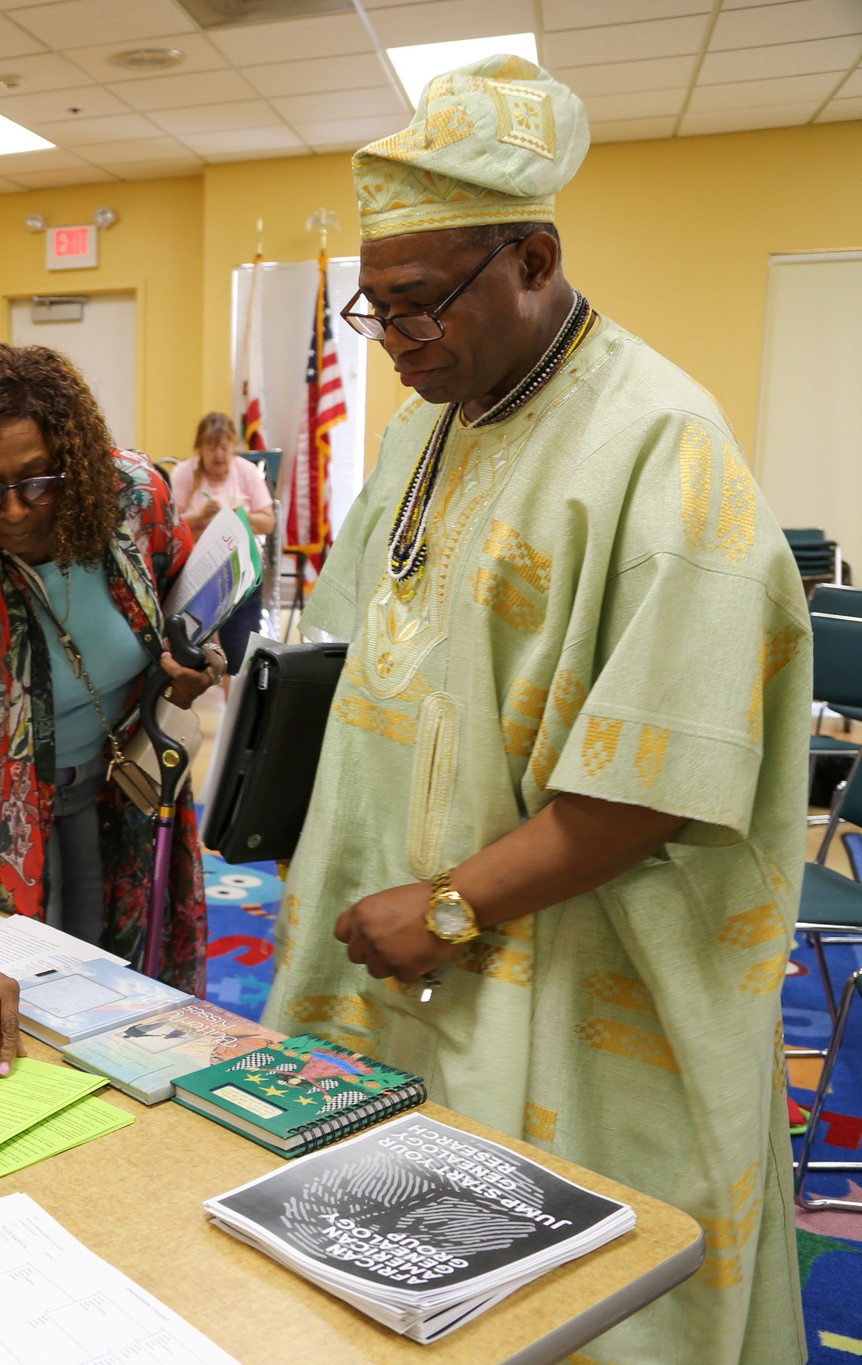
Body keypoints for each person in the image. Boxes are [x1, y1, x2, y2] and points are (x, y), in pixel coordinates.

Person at [263, 56, 809, 1365]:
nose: (396, 341)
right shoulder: (427, 422)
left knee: (587, 1311)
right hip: (401, 948)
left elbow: (661, 772)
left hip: (577, 981)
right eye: (374, 309)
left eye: (421, 303)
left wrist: (453, 907)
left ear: (536, 259)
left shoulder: (662, 447)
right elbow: (365, 649)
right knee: (392, 1287)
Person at [0, 343, 222, 1086]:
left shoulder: (136, 497)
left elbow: (184, 607)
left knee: (130, 998)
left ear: (75, 463)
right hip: (1, 819)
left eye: (36, 482)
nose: (11, 511)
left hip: (127, 788)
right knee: (27, 1016)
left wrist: (192, 668)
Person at [171, 411, 276, 672]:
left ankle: (234, 702)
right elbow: (170, 524)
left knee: (240, 656)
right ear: (200, 449)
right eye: (211, 447)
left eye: (224, 448)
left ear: (233, 448)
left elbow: (268, 522)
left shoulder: (247, 472)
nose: (218, 454)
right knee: (186, 652)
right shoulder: (185, 472)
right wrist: (200, 515)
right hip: (194, 573)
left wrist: (242, 515)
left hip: (240, 574)